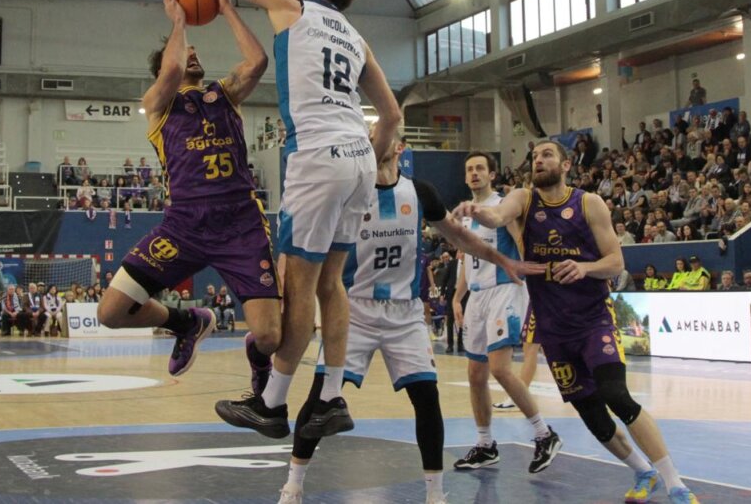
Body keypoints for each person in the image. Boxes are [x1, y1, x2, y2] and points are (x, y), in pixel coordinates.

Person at [151, 0, 402, 440]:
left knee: (298, 285)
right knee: (333, 284)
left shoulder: (294, 9)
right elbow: (394, 116)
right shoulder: (359, 40)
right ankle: (331, 396)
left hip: (317, 156)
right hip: (358, 152)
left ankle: (272, 403)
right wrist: (375, 167)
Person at [277, 141, 533, 504]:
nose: (373, 142)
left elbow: (458, 235)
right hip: (355, 311)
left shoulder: (419, 191)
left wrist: (500, 259)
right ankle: (293, 485)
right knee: (321, 395)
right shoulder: (349, 190)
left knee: (427, 397)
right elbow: (304, 237)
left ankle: (434, 493)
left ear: (398, 146)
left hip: (405, 312)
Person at [457, 140, 703, 504]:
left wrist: (586, 267)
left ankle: (676, 484)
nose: (539, 160)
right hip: (553, 328)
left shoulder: (589, 203)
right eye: (535, 156)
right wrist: (475, 211)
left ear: (566, 164)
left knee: (615, 395)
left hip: (593, 320)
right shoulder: (524, 199)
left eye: (547, 155)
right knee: (591, 414)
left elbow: (616, 262)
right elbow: (495, 216)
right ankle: (642, 470)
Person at [98, 0, 283, 400]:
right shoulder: (158, 104)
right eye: (186, 51)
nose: (192, 53)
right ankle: (185, 322)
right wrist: (179, 20)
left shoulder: (224, 95)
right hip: (183, 225)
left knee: (271, 336)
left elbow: (256, 61)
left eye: (195, 50)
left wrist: (227, 8)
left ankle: (258, 357)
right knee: (110, 313)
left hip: (239, 223)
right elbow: (174, 70)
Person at [452, 151, 562, 474]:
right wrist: (458, 297)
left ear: (492, 175)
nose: (474, 173)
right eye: (469, 169)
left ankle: (545, 433)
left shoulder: (504, 207)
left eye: (480, 169)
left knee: (500, 369)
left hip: (505, 290)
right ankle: (486, 445)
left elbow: (522, 244)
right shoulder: (466, 215)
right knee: (475, 375)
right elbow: (465, 260)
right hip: (477, 296)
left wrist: (534, 278)